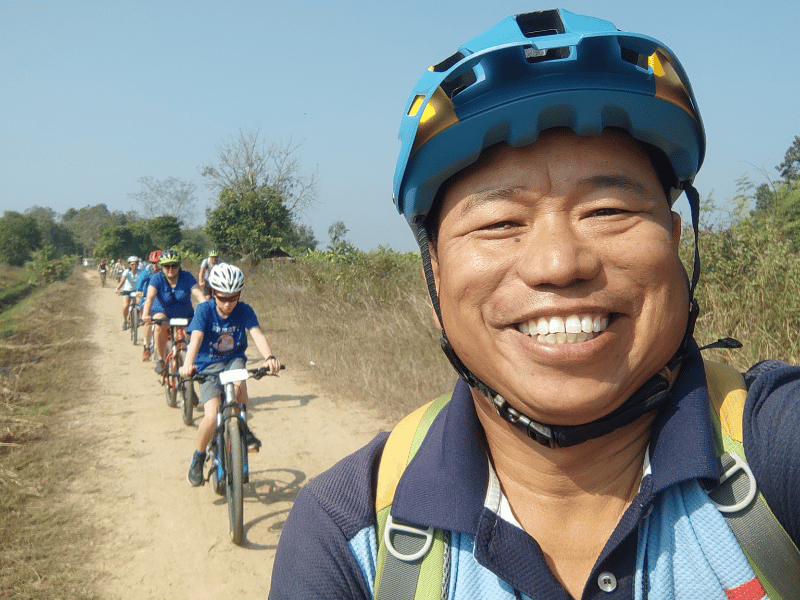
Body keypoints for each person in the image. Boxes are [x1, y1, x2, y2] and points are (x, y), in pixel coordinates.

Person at [269, 9, 800, 600]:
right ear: (434, 278)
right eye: (499, 222)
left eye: (608, 210)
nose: (558, 263)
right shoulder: (347, 536)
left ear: (675, 245)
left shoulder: (775, 449)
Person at [179, 263, 281, 486]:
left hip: (232, 360)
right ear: (213, 292)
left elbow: (257, 334)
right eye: (223, 298)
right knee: (211, 415)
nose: (228, 304)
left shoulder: (244, 310)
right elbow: (196, 338)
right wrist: (188, 365)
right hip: (206, 366)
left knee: (239, 384)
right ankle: (198, 457)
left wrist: (269, 357)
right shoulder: (204, 310)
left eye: (233, 298)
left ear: (239, 295)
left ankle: (242, 430)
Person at [141, 249, 205, 374]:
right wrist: (145, 314)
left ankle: (194, 363)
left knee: (196, 335)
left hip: (185, 315)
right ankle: (161, 360)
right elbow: (150, 298)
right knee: (159, 325)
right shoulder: (156, 278)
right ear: (162, 267)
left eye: (174, 266)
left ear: (179, 266)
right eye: (167, 266)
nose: (170, 269)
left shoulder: (187, 276)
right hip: (163, 314)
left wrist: (208, 309)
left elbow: (198, 294)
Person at [135, 249, 161, 361]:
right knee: (149, 322)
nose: (155, 265)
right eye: (153, 262)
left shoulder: (167, 270)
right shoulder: (148, 270)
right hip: (149, 298)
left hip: (163, 300)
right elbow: (140, 282)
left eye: (157, 262)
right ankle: (146, 347)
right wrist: (139, 290)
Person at [114, 256, 140, 330]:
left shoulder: (140, 272)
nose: (134, 266)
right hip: (127, 290)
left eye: (136, 264)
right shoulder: (126, 271)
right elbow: (122, 281)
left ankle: (137, 318)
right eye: (132, 264)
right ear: (129, 265)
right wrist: (117, 288)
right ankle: (125, 321)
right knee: (126, 306)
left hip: (137, 291)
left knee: (140, 304)